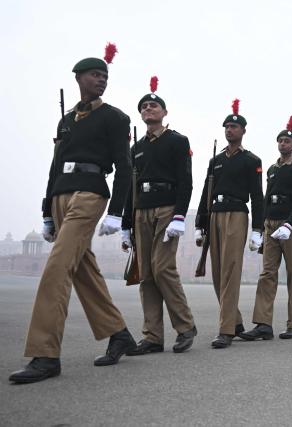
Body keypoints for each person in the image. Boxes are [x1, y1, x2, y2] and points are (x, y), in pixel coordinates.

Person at [10, 45, 137, 384]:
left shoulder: (115, 117)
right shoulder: (66, 120)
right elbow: (53, 168)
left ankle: (45, 354)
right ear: (79, 78)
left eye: (105, 76)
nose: (101, 80)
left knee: (57, 268)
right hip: (61, 195)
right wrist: (47, 213)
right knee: (83, 270)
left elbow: (125, 166)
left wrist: (116, 213)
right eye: (95, 75)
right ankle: (118, 332)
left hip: (90, 193)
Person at [121, 77, 197, 355]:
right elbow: (131, 186)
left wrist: (179, 215)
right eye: (144, 107)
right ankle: (152, 336)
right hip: (141, 209)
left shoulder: (177, 141)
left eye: (153, 106)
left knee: (163, 268)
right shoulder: (137, 147)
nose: (148, 109)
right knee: (147, 275)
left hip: (167, 208)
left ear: (164, 112)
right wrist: (126, 225)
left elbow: (186, 180)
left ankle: (185, 326)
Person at [194, 99, 264, 349]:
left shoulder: (250, 160)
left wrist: (258, 229)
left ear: (243, 131)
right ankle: (234, 321)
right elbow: (206, 191)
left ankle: (226, 330)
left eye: (234, 127)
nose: (230, 130)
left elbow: (257, 195)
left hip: (237, 213)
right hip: (215, 213)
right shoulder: (216, 160)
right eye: (227, 126)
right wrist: (199, 222)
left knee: (231, 271)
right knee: (217, 272)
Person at [240, 115, 292, 340]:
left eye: (287, 141)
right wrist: (261, 226)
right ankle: (263, 324)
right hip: (271, 223)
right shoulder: (272, 169)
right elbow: (266, 197)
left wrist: (290, 223)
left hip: (290, 224)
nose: (283, 144)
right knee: (267, 273)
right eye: (280, 141)